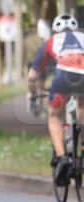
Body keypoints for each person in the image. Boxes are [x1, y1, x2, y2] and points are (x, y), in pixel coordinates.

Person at [27, 13, 84, 186]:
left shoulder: (50, 42)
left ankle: (63, 158)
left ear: (55, 30)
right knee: (82, 108)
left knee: (54, 116)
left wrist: (32, 92)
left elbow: (32, 76)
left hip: (64, 78)